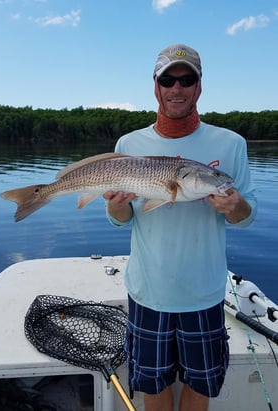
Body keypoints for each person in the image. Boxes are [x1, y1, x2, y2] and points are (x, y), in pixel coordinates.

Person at [103, 44, 257, 411]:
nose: (177, 88)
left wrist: (234, 206)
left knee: (199, 385)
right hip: (147, 292)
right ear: (155, 85)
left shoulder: (231, 143)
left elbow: (247, 216)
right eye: (168, 79)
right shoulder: (129, 144)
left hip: (204, 293)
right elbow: (120, 219)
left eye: (186, 79)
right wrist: (114, 204)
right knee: (152, 385)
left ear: (199, 85)